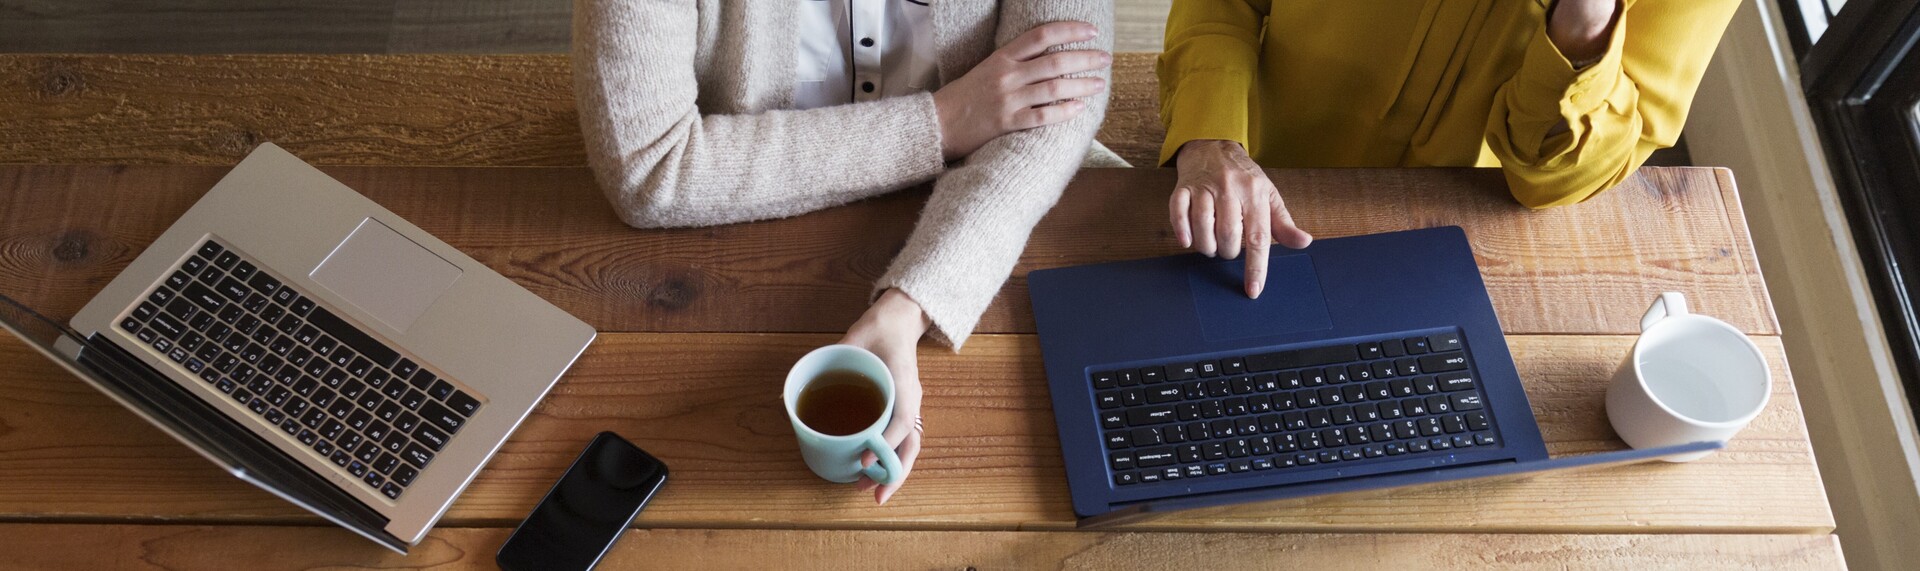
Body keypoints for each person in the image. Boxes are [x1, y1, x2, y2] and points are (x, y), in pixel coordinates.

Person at [572, 0, 1117, 504]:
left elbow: (1057, 98)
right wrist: (944, 121)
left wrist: (911, 302)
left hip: (971, 217)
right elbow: (651, 168)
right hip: (718, 243)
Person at [1157, 0, 1741, 298]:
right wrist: (1210, 135)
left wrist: (1584, 26)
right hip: (1253, 173)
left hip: (1470, 241)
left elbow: (1560, 182)